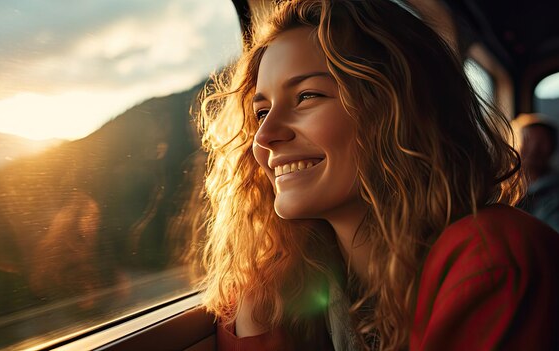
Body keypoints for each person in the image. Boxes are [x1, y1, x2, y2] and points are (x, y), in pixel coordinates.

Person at [195, 0, 559, 349]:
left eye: (307, 96)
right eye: (261, 112)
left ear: (398, 109)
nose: (264, 135)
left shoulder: (493, 259)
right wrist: (259, 311)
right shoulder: (303, 278)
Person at [514, 113, 559, 232]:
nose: (534, 148)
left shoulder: (554, 193)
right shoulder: (509, 188)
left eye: (542, 142)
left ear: (553, 147)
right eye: (527, 140)